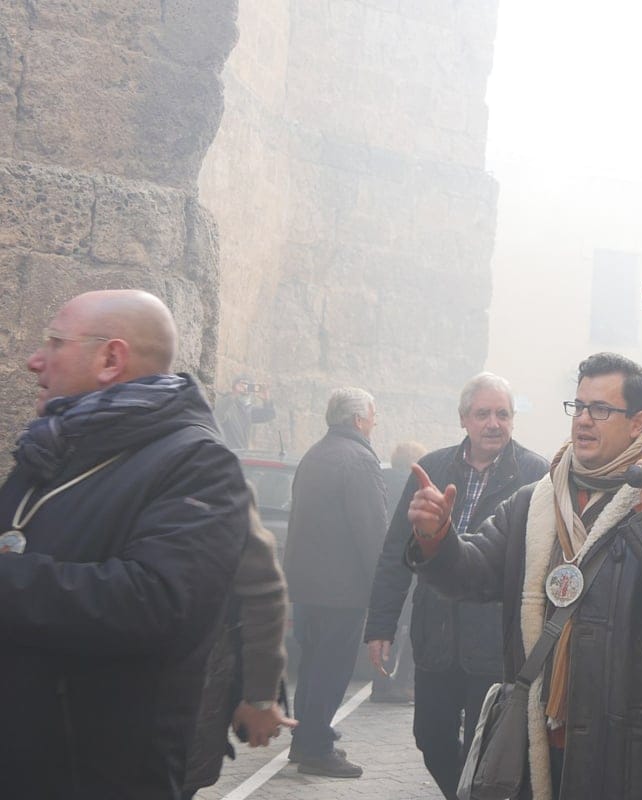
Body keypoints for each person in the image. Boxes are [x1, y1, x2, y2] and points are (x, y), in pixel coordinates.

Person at [406, 352, 642, 799]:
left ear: (637, 423)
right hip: (535, 737)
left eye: (601, 409)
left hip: (623, 749)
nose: (583, 422)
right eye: (579, 406)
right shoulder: (534, 502)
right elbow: (471, 572)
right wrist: (437, 537)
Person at [0, 289, 250, 798]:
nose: (34, 360)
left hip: (95, 773)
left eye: (55, 343)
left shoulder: (198, 464)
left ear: (111, 358)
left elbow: (156, 601)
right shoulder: (54, 445)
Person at [365, 375, 548, 798]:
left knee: (487, 746)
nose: (493, 423)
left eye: (502, 414)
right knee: (431, 737)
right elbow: (397, 552)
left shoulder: (536, 475)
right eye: (483, 413)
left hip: (495, 640)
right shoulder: (433, 469)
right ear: (464, 418)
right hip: (437, 634)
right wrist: (380, 626)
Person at [283, 387, 387, 778]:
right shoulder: (358, 460)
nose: (375, 421)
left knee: (312, 665)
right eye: (373, 415)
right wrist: (383, 586)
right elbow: (372, 531)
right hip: (341, 589)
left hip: (307, 584)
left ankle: (306, 736)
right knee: (332, 669)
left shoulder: (316, 453)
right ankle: (315, 747)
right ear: (359, 419)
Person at [183, 501, 295, 798]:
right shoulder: (205, 472)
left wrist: (259, 697)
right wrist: (259, 700)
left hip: (186, 689)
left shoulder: (206, 472)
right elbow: (264, 594)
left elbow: (263, 595)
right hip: (182, 693)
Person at [369, 440, 430, 705]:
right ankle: (403, 683)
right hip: (410, 566)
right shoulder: (416, 487)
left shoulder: (379, 479)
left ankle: (380, 684)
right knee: (412, 624)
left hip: (384, 565)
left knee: (386, 628)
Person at [215, 374, 276, 449]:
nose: (245, 389)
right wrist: (235, 393)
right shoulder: (226, 404)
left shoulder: (248, 410)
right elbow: (218, 412)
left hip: (241, 455)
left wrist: (266, 399)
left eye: (248, 386)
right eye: (242, 385)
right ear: (234, 387)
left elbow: (268, 415)